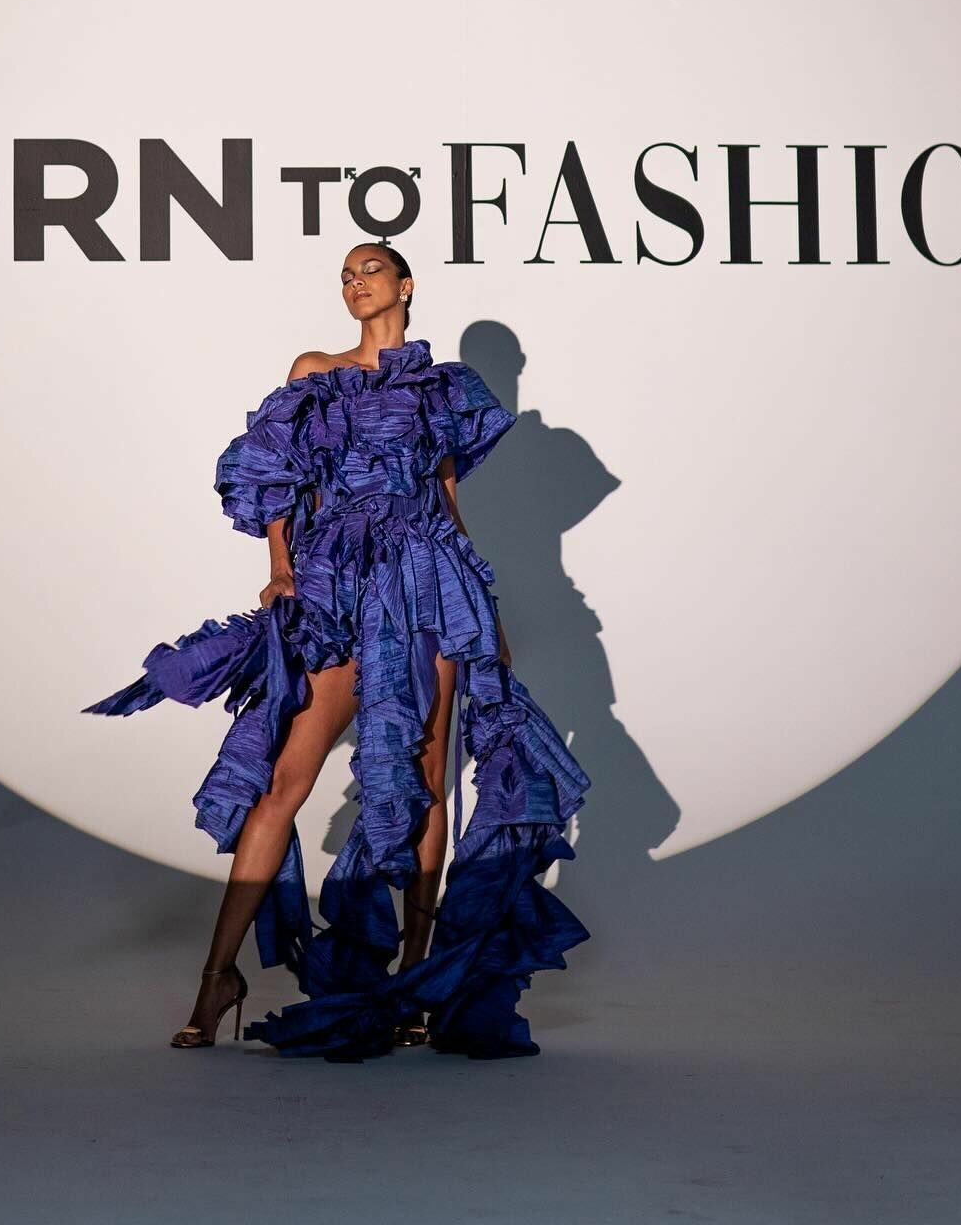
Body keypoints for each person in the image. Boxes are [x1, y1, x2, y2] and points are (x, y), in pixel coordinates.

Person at [83, 243, 589, 1060]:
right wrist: (281, 568)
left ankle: (417, 981)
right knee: (283, 778)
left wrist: (480, 603)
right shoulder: (315, 371)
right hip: (340, 580)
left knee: (426, 777)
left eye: (369, 271)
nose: (355, 283)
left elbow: (444, 494)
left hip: (428, 581)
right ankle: (216, 977)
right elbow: (277, 476)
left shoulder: (446, 387)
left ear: (405, 285)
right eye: (346, 276)